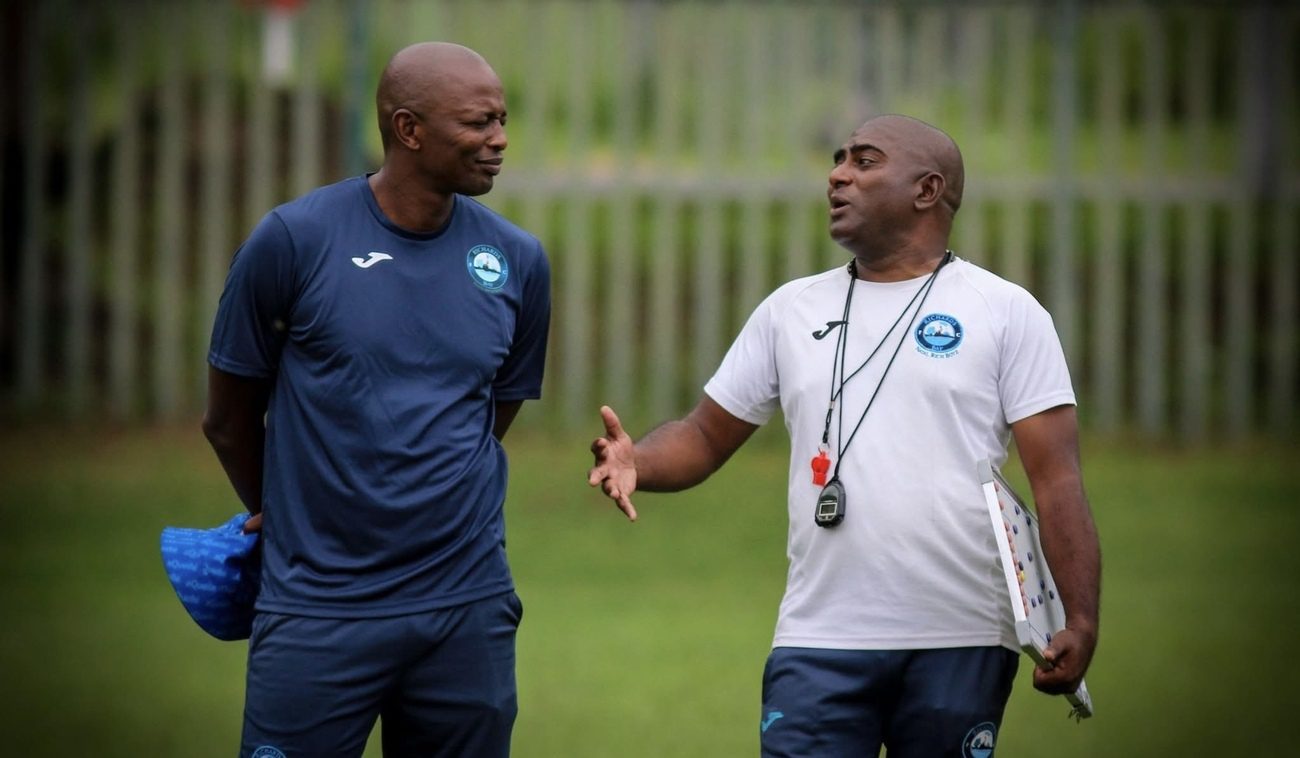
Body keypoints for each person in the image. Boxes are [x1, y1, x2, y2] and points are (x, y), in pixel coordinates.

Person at [588, 114, 1099, 757]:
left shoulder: (1006, 313)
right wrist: (638, 461)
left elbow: (1057, 480)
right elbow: (704, 435)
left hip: (962, 635)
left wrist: (1081, 619)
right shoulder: (790, 310)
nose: (837, 175)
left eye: (864, 161)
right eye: (839, 159)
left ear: (927, 190)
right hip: (818, 637)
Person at [202, 42, 550, 757]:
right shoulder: (294, 241)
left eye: (502, 120)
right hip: (318, 610)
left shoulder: (517, 260)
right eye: (478, 123)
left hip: (466, 607)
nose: (499, 140)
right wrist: (289, 514)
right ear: (408, 129)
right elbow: (228, 419)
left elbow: (488, 417)